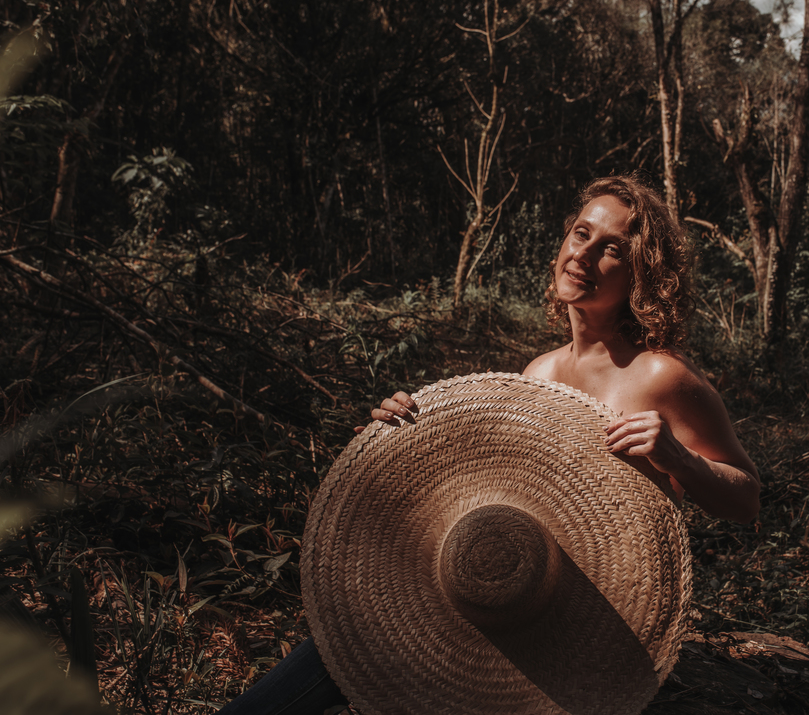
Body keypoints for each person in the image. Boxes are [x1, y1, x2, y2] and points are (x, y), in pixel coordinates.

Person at [217, 175, 760, 715]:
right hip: (501, 603)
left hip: (595, 625)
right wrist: (392, 444)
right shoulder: (539, 373)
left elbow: (748, 498)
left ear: (643, 274)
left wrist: (680, 458)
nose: (584, 254)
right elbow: (490, 491)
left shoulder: (662, 375)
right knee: (347, 642)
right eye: (581, 234)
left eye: (612, 248)